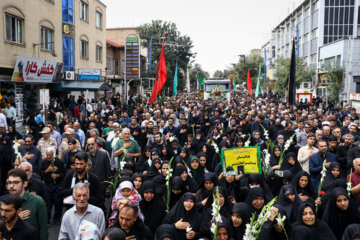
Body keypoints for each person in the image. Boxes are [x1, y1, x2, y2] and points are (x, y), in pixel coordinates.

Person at [4, 168, 48, 240]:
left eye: (16, 182)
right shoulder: (3, 203)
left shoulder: (37, 201)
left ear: (25, 183)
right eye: (9, 182)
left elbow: (43, 230)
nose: (11, 186)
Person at [40, 147, 65, 224]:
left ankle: (57, 219)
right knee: (48, 203)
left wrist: (57, 175)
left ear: (54, 155)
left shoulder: (60, 162)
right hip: (47, 185)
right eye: (47, 155)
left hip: (57, 185)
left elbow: (64, 174)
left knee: (58, 203)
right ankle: (47, 220)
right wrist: (47, 170)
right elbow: (41, 174)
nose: (48, 157)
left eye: (50, 155)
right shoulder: (44, 162)